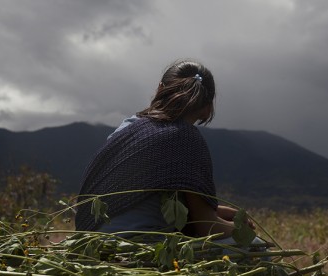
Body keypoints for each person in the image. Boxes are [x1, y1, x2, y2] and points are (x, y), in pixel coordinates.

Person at [75, 59, 255, 241]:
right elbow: (206, 227)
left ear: (160, 89)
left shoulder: (127, 127)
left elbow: (143, 199)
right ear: (207, 109)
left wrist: (215, 209)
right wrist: (241, 227)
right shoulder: (186, 138)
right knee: (254, 244)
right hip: (137, 247)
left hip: (89, 242)